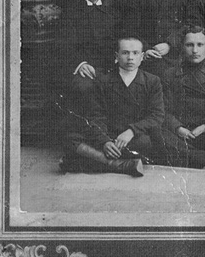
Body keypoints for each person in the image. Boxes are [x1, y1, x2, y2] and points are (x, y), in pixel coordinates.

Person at [59, 36, 165, 177]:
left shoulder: (152, 81)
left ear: (142, 57)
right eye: (125, 53)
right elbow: (96, 116)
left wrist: (131, 131)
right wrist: (105, 142)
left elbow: (156, 115)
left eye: (135, 53)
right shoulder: (103, 81)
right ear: (116, 56)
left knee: (147, 143)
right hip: (109, 134)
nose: (130, 58)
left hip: (135, 136)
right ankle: (120, 165)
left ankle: (89, 162)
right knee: (70, 138)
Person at [159, 26, 205, 169]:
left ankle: (189, 157)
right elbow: (164, 110)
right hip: (180, 133)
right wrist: (179, 128)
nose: (195, 50)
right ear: (182, 46)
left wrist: (204, 126)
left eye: (200, 45)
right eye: (189, 45)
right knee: (157, 132)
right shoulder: (170, 74)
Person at [53, 0, 118, 93]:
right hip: (86, 67)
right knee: (85, 88)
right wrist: (80, 64)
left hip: (112, 66)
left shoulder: (112, 13)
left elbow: (121, 39)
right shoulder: (70, 13)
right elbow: (64, 45)